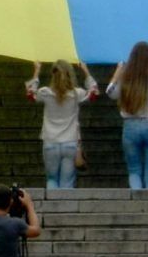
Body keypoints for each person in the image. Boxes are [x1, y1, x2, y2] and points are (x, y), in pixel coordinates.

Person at [106, 40, 148, 190]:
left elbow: (110, 93)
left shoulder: (125, 76)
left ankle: (137, 205)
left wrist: (116, 75)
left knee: (134, 171)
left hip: (130, 127)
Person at [25, 59, 97, 190]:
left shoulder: (45, 93)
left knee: (52, 179)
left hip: (50, 141)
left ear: (53, 75)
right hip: (70, 142)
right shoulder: (76, 94)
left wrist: (36, 70)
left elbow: (30, 93)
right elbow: (93, 93)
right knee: (67, 182)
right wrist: (86, 70)